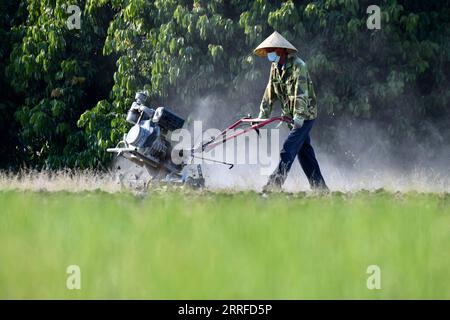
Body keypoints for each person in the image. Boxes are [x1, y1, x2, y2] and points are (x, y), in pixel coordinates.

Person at [254, 31, 328, 192]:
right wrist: (262, 116)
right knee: (305, 153)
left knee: (288, 148)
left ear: (280, 50)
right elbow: (270, 92)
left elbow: (301, 92)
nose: (268, 54)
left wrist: (299, 117)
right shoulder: (275, 67)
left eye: (270, 51)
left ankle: (274, 184)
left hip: (305, 115)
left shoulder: (298, 66)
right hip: (290, 116)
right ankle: (320, 188)